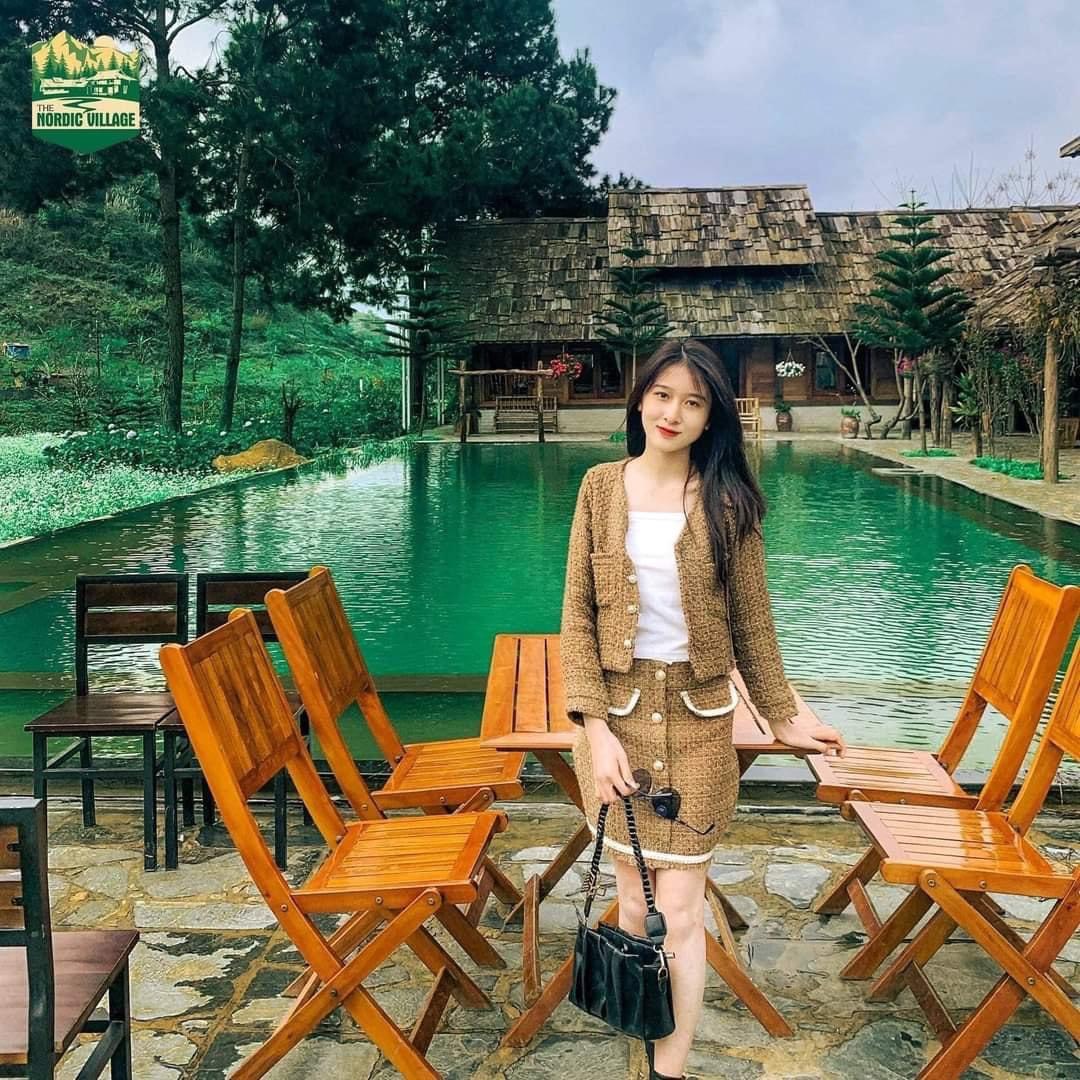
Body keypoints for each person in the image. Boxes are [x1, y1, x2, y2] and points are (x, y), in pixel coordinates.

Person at [560, 339, 846, 1079]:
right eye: (662, 395)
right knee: (633, 905)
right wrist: (595, 732)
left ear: (711, 416)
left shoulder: (728, 502)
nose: (673, 413)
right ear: (640, 399)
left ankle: (670, 1071)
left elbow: (753, 622)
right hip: (618, 720)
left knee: (681, 911)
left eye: (693, 402)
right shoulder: (598, 488)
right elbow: (578, 619)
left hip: (699, 723)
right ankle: (649, 1043)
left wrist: (785, 716)